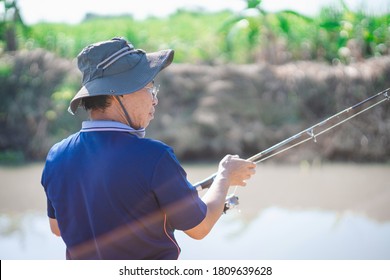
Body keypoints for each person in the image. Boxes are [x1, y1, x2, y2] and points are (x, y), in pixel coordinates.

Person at [41, 37, 256, 260]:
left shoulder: (56, 156)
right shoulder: (155, 157)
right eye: (149, 88)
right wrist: (224, 176)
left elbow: (58, 228)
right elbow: (200, 228)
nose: (154, 100)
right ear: (119, 93)